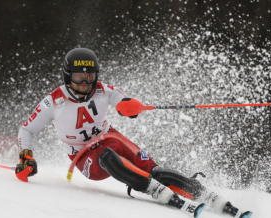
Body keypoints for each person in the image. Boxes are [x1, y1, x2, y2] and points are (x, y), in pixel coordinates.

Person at [16, 48, 252, 218]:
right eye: (79, 77)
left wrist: (130, 107)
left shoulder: (102, 90)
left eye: (90, 77)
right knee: (107, 155)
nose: (85, 83)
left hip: (111, 137)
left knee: (155, 169)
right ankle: (155, 191)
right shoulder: (53, 102)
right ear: (68, 76)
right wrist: (26, 156)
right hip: (84, 156)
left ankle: (207, 195)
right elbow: (27, 128)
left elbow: (123, 101)